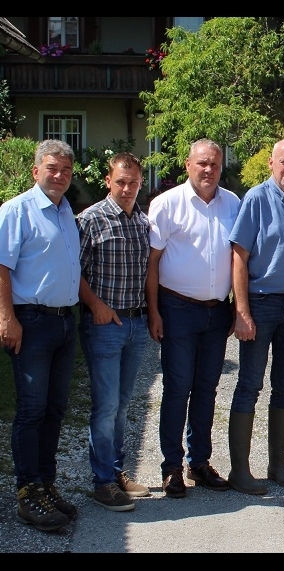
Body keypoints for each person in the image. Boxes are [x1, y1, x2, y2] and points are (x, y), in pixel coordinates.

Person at [147, 138, 241, 499]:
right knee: (177, 389)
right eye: (202, 163)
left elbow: (237, 258)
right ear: (188, 165)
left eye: (215, 164)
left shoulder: (232, 203)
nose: (208, 170)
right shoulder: (167, 205)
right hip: (177, 309)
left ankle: (199, 462)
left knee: (206, 389)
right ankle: (172, 467)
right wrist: (154, 311)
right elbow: (152, 263)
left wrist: (237, 307)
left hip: (216, 312)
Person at [0, 139, 81, 532]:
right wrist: (6, 318)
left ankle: (46, 485)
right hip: (30, 322)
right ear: (36, 171)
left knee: (55, 408)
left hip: (65, 323)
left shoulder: (66, 212)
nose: (59, 176)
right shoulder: (17, 211)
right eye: (52, 168)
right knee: (31, 410)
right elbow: (1, 267)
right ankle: (27, 493)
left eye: (66, 170)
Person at [226, 139, 284, 495]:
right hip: (262, 303)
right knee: (250, 383)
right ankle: (240, 470)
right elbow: (239, 258)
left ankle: (277, 463)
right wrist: (242, 311)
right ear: (270, 163)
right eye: (283, 162)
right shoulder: (255, 199)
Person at [77, 151, 152, 512]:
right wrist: (95, 305)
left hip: (135, 324)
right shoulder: (90, 220)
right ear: (108, 181)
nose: (127, 188)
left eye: (133, 182)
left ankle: (116, 471)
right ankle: (102, 482)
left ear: (141, 183)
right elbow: (72, 271)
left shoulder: (142, 221)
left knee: (122, 405)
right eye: (120, 182)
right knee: (105, 406)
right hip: (105, 325)